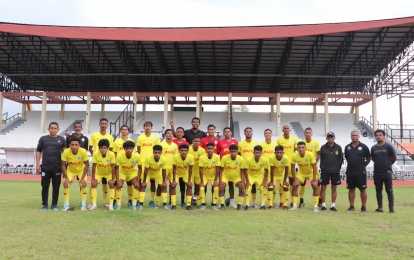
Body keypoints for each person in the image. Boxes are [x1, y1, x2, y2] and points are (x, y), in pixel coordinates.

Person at [36, 122, 66, 211]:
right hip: (45, 166)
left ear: (58, 129)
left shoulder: (62, 139)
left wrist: (64, 166)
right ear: (48, 129)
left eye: (55, 128)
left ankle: (54, 205)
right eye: (51, 128)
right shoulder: (43, 139)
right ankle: (44, 204)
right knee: (45, 186)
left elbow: (65, 153)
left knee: (56, 186)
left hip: (57, 167)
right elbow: (38, 151)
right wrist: (37, 164)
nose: (53, 130)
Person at [89, 118, 114, 208]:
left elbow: (110, 149)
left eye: (105, 124)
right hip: (98, 163)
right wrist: (96, 156)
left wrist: (106, 156)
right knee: (94, 183)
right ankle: (92, 202)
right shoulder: (94, 135)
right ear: (99, 124)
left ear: (107, 125)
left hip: (106, 165)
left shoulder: (110, 137)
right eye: (102, 123)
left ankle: (105, 202)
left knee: (106, 183)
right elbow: (90, 147)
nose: (103, 125)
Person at [344, 130, 371, 213]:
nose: (354, 137)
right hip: (350, 172)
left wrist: (362, 166)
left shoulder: (364, 147)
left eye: (356, 135)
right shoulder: (347, 147)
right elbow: (347, 158)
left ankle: (363, 207)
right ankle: (351, 206)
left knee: (363, 189)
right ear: (350, 136)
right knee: (351, 189)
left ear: (359, 136)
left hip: (360, 172)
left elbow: (368, 159)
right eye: (352, 135)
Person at [371, 129, 397, 213]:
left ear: (384, 136)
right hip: (377, 172)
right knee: (378, 190)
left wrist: (388, 165)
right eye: (377, 135)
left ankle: (391, 209)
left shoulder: (388, 146)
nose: (378, 136)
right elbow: (374, 159)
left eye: (380, 135)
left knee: (389, 190)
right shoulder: (373, 148)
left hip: (387, 172)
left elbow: (394, 158)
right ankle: (380, 208)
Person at [61, 137, 90, 211]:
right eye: (72, 145)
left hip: (81, 170)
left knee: (83, 184)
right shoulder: (66, 152)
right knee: (66, 184)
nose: (74, 146)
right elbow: (63, 165)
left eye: (76, 145)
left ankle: (83, 204)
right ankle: (66, 204)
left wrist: (83, 178)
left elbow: (87, 165)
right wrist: (67, 178)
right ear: (69, 145)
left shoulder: (83, 151)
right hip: (70, 170)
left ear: (79, 145)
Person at [137, 145, 169, 210]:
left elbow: (164, 171)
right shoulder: (148, 158)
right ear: (153, 152)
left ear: (161, 153)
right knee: (143, 186)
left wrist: (164, 182)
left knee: (163, 186)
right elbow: (146, 171)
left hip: (158, 174)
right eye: (155, 152)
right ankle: (141, 204)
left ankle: (163, 204)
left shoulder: (164, 159)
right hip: (148, 174)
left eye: (158, 153)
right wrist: (144, 182)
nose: (157, 154)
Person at [289, 141, 319, 212]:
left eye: (303, 147)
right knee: (295, 185)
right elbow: (292, 167)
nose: (301, 149)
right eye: (299, 148)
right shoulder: (294, 155)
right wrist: (295, 178)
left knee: (315, 186)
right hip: (301, 173)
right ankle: (294, 205)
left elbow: (314, 167)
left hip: (311, 173)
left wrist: (314, 179)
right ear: (297, 148)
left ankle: (315, 206)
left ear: (305, 148)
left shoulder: (310, 154)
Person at [136, 121, 160, 208]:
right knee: (143, 181)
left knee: (153, 181)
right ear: (143, 128)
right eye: (146, 126)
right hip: (143, 162)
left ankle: (151, 200)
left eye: (149, 126)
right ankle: (139, 200)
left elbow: (157, 149)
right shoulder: (140, 137)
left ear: (151, 128)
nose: (147, 128)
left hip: (153, 161)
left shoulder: (155, 137)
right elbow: (139, 150)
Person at [88, 139, 116, 211]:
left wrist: (113, 179)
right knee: (93, 184)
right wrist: (93, 178)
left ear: (108, 148)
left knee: (112, 185)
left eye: (105, 148)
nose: (103, 150)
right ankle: (94, 204)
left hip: (108, 173)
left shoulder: (112, 154)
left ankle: (111, 205)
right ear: (99, 148)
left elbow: (113, 167)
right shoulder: (95, 154)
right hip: (98, 173)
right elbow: (94, 167)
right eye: (102, 148)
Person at [114, 140, 141, 210]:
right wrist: (117, 181)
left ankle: (134, 204)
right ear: (124, 149)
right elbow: (116, 169)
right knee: (119, 185)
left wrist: (138, 181)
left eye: (130, 148)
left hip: (132, 172)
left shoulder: (137, 156)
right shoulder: (119, 156)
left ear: (133, 149)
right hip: (122, 172)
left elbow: (140, 169)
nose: (129, 150)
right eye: (127, 148)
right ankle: (118, 204)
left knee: (136, 185)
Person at [319, 132, 343, 211]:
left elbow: (341, 159)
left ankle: (333, 205)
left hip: (335, 171)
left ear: (334, 138)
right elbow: (321, 159)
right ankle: (323, 205)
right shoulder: (323, 147)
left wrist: (337, 168)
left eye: (332, 137)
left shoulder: (338, 147)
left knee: (334, 187)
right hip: (325, 170)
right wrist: (322, 167)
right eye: (329, 137)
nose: (330, 139)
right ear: (326, 138)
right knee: (323, 187)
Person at [218, 144, 246, 210]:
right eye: (232, 151)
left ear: (237, 152)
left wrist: (242, 181)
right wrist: (220, 181)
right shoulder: (224, 158)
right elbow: (220, 169)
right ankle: (222, 204)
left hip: (236, 176)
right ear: (229, 151)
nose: (233, 153)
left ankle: (239, 205)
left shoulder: (241, 159)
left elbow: (242, 171)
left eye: (235, 151)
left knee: (242, 188)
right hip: (226, 176)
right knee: (221, 187)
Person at [113, 125, 135, 208]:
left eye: (126, 129)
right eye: (123, 129)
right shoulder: (116, 142)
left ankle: (130, 200)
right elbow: (114, 154)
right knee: (117, 183)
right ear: (120, 131)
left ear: (128, 131)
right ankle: (116, 200)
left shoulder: (132, 141)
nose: (124, 131)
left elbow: (133, 154)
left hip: (129, 166)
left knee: (130, 183)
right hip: (120, 166)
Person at [217, 127, 239, 208]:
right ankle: (221, 202)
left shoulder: (235, 141)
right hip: (224, 167)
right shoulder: (220, 142)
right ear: (223, 133)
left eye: (228, 131)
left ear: (231, 133)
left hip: (233, 166)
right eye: (225, 132)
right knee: (222, 185)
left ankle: (232, 202)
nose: (227, 133)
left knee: (231, 185)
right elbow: (217, 153)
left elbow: (238, 153)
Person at [276, 125, 297, 208]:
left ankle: (292, 201)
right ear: (282, 130)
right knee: (282, 183)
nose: (286, 129)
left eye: (287, 128)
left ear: (290, 130)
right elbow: (278, 151)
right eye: (284, 128)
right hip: (282, 164)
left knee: (292, 183)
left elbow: (295, 150)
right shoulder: (279, 140)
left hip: (291, 164)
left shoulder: (294, 140)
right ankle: (281, 202)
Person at [238, 127, 259, 208]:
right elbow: (238, 155)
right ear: (244, 133)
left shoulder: (256, 143)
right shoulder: (240, 144)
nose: (248, 133)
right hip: (243, 168)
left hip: (253, 168)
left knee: (252, 185)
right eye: (246, 131)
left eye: (250, 131)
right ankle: (241, 202)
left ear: (252, 133)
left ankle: (253, 202)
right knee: (242, 184)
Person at [300, 127, 321, 208]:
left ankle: (319, 200)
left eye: (309, 132)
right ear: (304, 134)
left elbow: (318, 154)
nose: (308, 134)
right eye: (306, 132)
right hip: (303, 168)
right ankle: (301, 201)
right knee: (302, 183)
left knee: (316, 184)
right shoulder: (301, 142)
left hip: (313, 167)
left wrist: (314, 163)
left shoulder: (315, 143)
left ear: (311, 133)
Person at [244, 146, 269, 210]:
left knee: (263, 188)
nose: (257, 154)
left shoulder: (264, 160)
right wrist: (247, 181)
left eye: (259, 153)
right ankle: (247, 205)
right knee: (248, 187)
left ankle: (262, 205)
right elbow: (245, 170)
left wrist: (264, 181)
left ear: (261, 153)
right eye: (256, 152)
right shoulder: (248, 159)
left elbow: (266, 170)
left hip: (259, 176)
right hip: (250, 175)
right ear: (253, 153)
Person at [172, 144, 194, 210]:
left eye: (185, 150)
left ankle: (188, 205)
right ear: (179, 151)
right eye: (182, 150)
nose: (184, 152)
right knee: (173, 186)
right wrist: (173, 181)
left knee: (189, 186)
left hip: (185, 173)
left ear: (188, 151)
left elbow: (190, 169)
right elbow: (174, 169)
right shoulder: (175, 156)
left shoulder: (190, 157)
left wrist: (189, 181)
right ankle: (173, 205)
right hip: (176, 173)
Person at [199, 142, 221, 210]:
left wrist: (215, 180)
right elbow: (201, 170)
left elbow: (218, 169)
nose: (210, 150)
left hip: (213, 176)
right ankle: (203, 204)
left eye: (211, 148)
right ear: (206, 149)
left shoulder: (217, 157)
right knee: (202, 188)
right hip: (204, 176)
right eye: (208, 148)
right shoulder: (202, 157)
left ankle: (214, 204)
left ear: (214, 149)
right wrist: (202, 181)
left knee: (216, 188)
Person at [160, 129, 179, 206]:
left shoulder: (175, 145)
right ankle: (164, 203)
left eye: (171, 133)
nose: (170, 134)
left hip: (172, 168)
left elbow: (177, 157)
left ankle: (172, 202)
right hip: (163, 168)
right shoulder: (161, 144)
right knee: (163, 185)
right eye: (168, 133)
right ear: (165, 135)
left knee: (172, 185)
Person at [268, 145, 290, 210]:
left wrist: (285, 180)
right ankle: (270, 205)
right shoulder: (271, 158)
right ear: (274, 153)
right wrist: (271, 181)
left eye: (280, 152)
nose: (279, 154)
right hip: (273, 175)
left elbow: (286, 170)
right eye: (277, 152)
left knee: (285, 187)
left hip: (282, 175)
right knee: (270, 187)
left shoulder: (286, 158)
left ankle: (285, 205)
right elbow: (272, 170)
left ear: (283, 153)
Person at [188, 137, 206, 209]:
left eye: (198, 141)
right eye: (195, 141)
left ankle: (198, 202)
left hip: (198, 171)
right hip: (190, 171)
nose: (196, 142)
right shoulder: (188, 149)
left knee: (198, 186)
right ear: (192, 141)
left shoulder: (202, 150)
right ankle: (188, 203)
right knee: (189, 186)